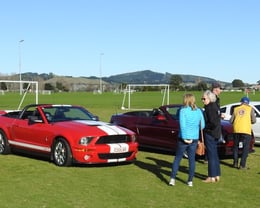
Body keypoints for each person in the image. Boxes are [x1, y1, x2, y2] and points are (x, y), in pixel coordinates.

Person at [169, 94, 205, 187]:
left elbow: (182, 125)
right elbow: (203, 125)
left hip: (183, 138)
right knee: (192, 160)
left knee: (178, 158)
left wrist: (185, 138)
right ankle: (190, 181)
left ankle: (172, 179)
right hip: (194, 138)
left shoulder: (183, 110)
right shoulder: (198, 111)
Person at [230, 97, 256, 170]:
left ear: (241, 102)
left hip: (236, 130)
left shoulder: (236, 109)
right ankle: (242, 165)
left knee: (235, 147)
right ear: (248, 103)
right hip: (246, 130)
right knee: (245, 148)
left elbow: (231, 120)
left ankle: (235, 163)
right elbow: (254, 120)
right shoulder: (250, 109)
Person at [201, 90, 221, 183]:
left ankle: (211, 176)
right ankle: (217, 174)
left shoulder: (209, 108)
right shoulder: (215, 106)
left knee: (211, 155)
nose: (202, 100)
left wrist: (204, 128)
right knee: (215, 154)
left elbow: (212, 123)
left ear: (209, 98)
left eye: (204, 98)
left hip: (210, 133)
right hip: (216, 133)